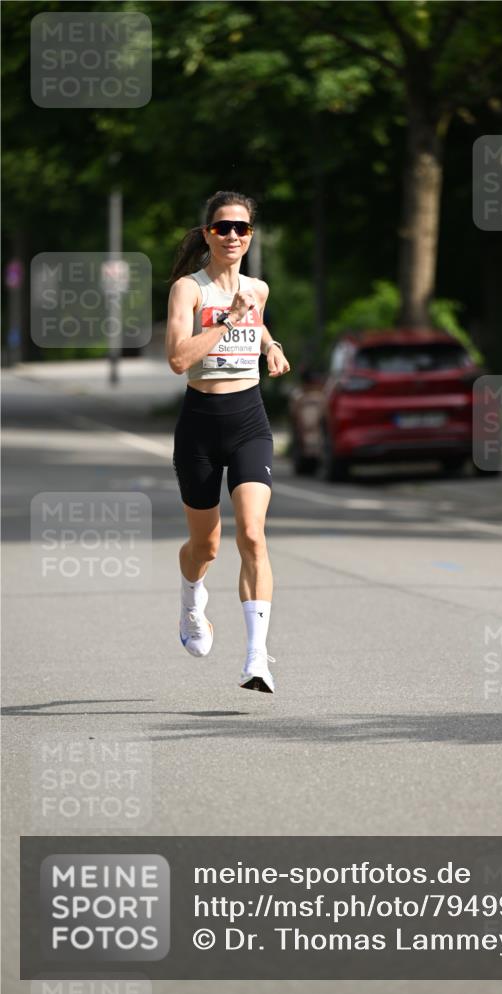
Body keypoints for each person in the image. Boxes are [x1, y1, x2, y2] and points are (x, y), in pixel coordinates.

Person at [165, 190, 290, 693]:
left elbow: (256, 324)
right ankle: (192, 602)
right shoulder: (187, 291)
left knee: (253, 535)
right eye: (223, 228)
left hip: (249, 422)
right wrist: (231, 319)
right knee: (207, 545)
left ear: (250, 235)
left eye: (241, 228)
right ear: (207, 234)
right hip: (199, 425)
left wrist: (272, 345)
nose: (233, 236)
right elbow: (178, 359)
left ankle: (257, 658)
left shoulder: (257, 288)